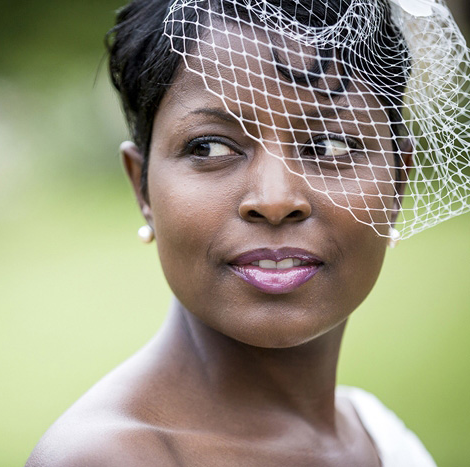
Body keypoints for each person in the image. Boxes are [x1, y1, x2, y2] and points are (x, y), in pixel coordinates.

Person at [28, 0, 469, 465]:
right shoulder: (108, 457)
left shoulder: (373, 429)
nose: (275, 200)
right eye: (211, 146)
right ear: (142, 188)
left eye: (330, 143)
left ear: (399, 183)